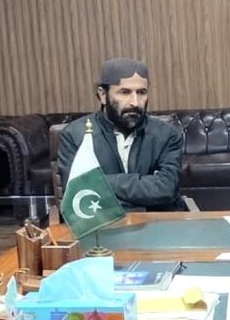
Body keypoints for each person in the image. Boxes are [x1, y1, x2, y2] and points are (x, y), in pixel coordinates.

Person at [57, 58, 186, 211]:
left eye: (141, 92)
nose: (135, 102)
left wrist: (98, 182)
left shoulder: (167, 135)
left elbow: (166, 189)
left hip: (157, 222)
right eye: (124, 92)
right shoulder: (74, 136)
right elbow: (78, 194)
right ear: (102, 95)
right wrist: (146, 191)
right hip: (103, 223)